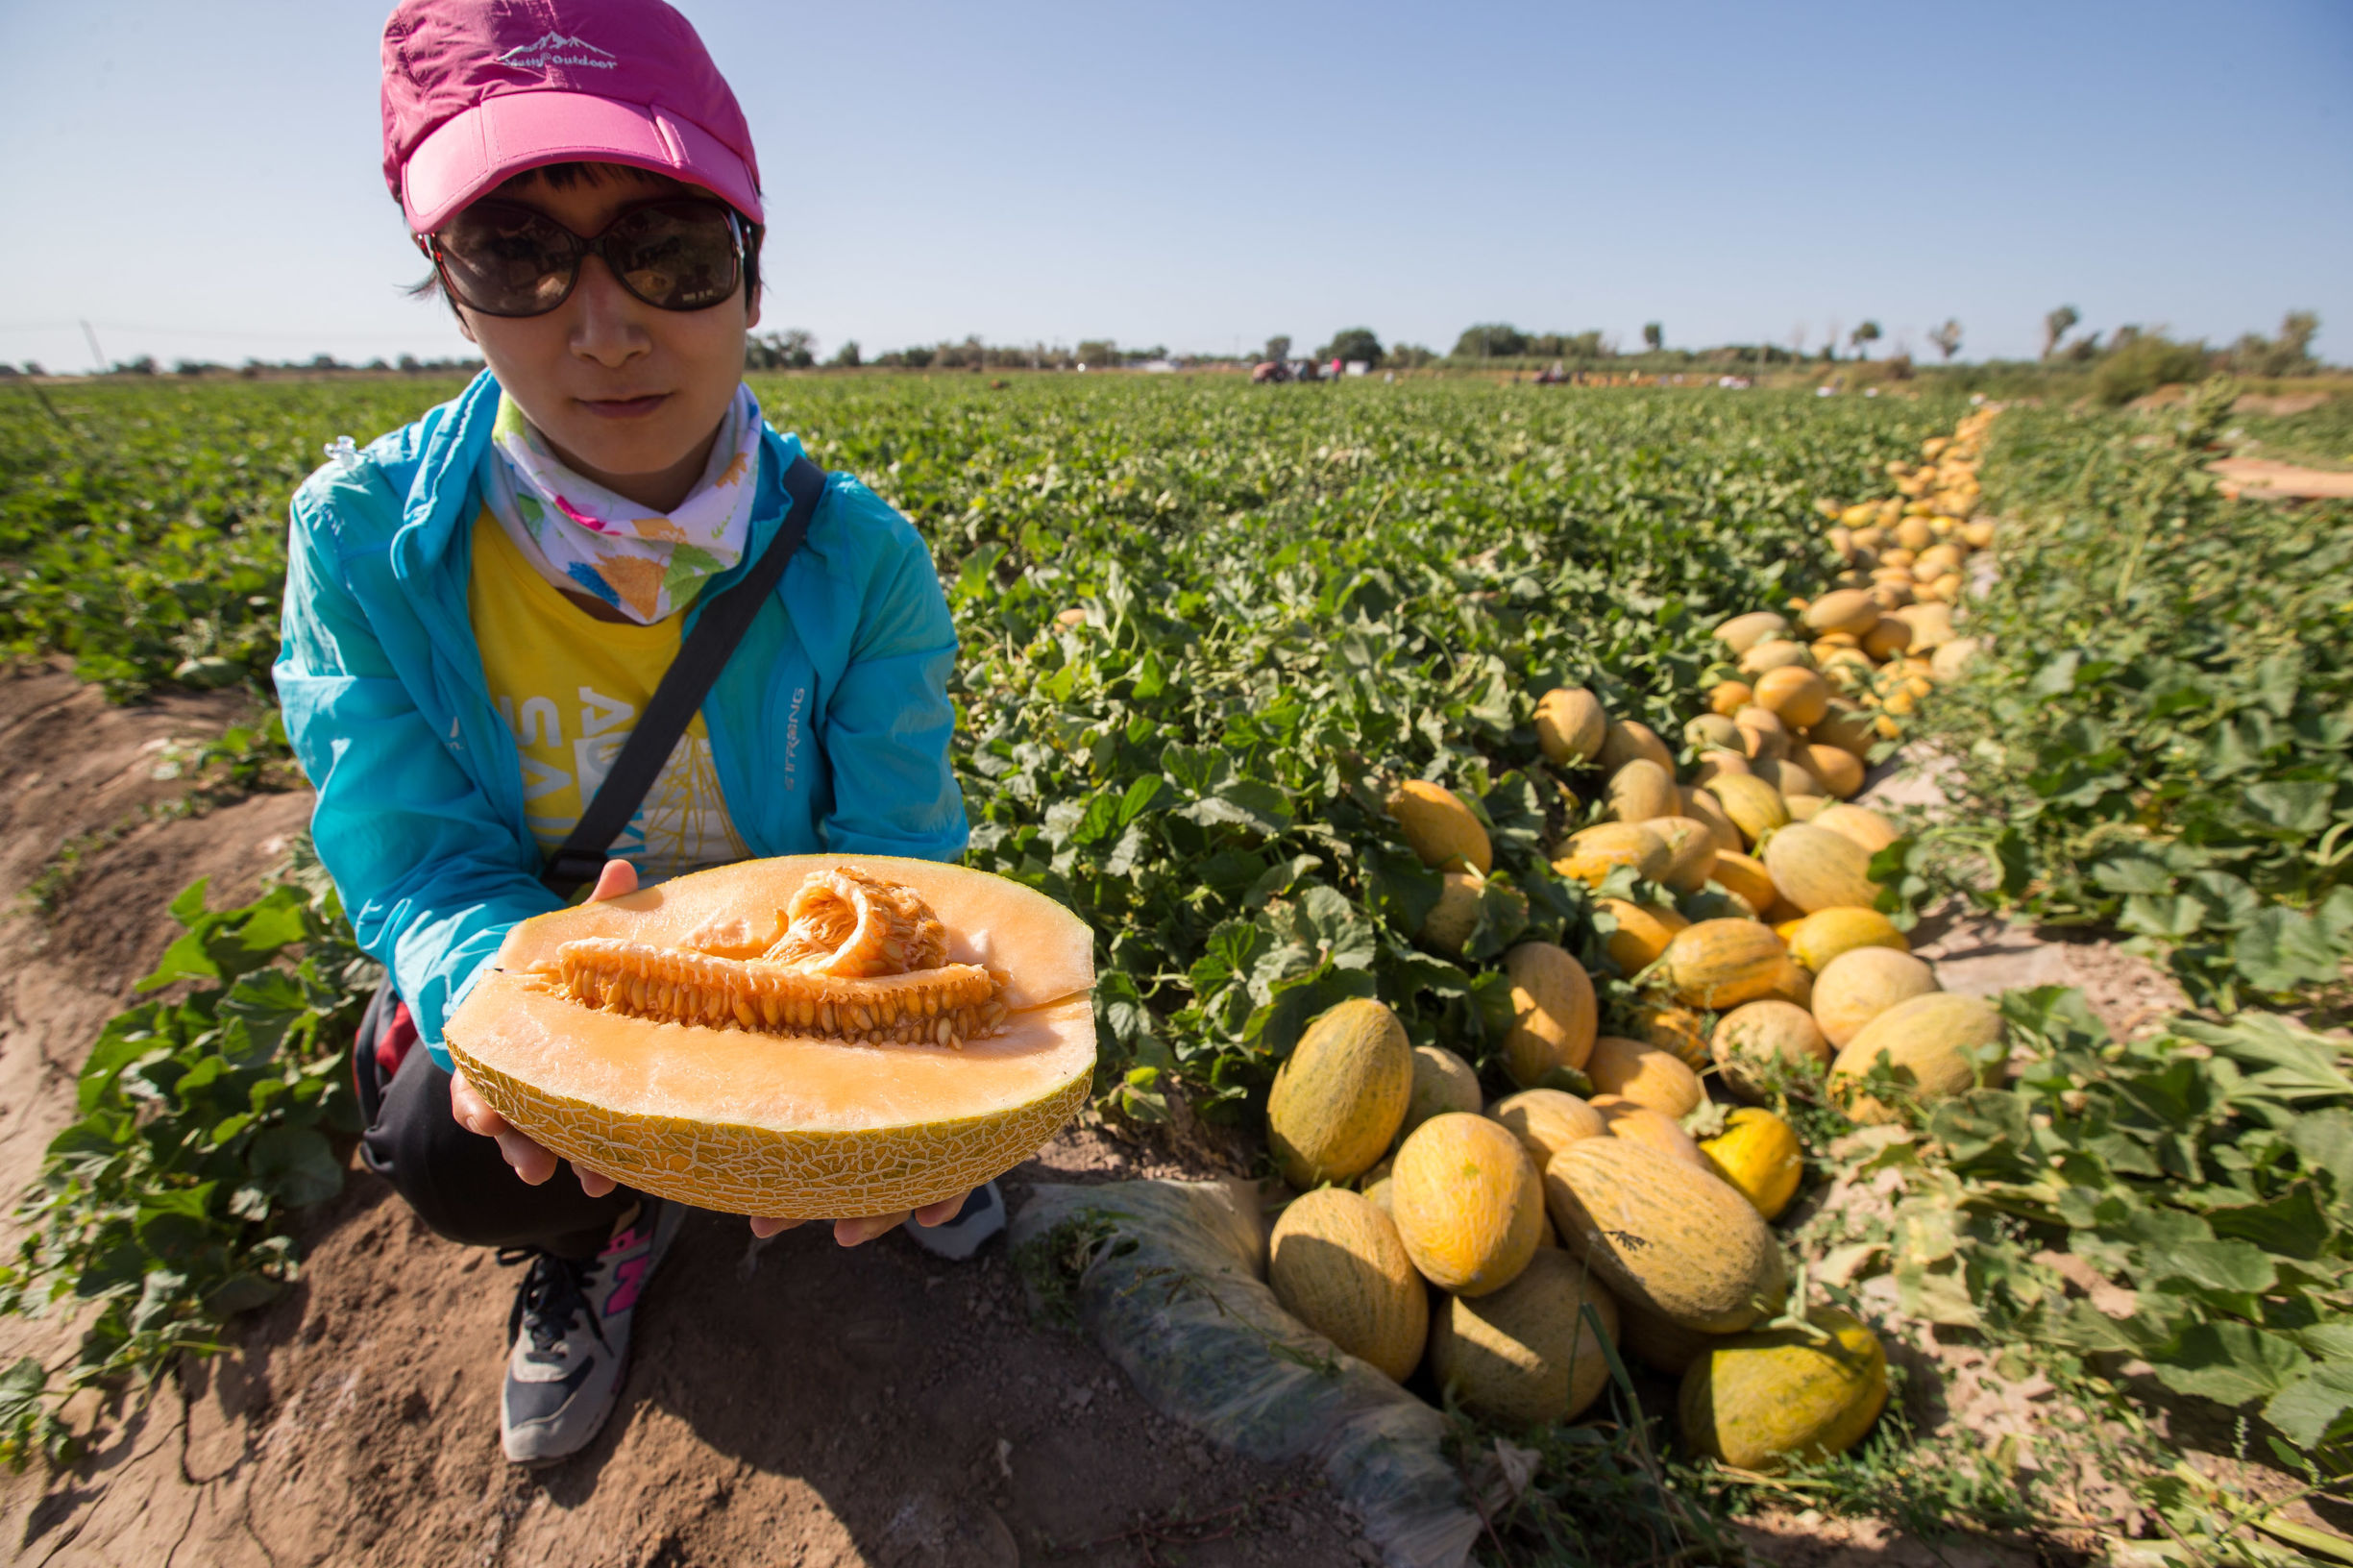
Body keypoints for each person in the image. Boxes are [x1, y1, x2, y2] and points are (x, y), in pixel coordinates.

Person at [276, 0, 998, 1467]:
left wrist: (918, 1074)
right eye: (518, 253)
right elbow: (414, 858)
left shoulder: (858, 560)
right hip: (575, 976)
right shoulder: (361, 543)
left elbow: (896, 855)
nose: (602, 329)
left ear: (747, 271)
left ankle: (812, 1161)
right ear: (449, 282)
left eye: (667, 250)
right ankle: (603, 1223)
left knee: (957, 1077)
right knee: (439, 1136)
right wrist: (517, 1020)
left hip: (802, 977)